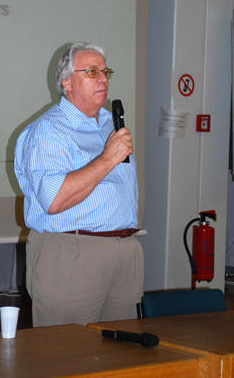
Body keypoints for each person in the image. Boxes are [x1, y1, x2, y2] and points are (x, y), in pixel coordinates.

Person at [14, 42, 143, 327]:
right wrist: (107, 159)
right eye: (92, 72)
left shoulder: (111, 124)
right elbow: (54, 200)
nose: (103, 79)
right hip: (73, 252)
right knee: (68, 350)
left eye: (105, 72)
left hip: (124, 250)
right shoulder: (48, 130)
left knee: (123, 349)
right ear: (66, 82)